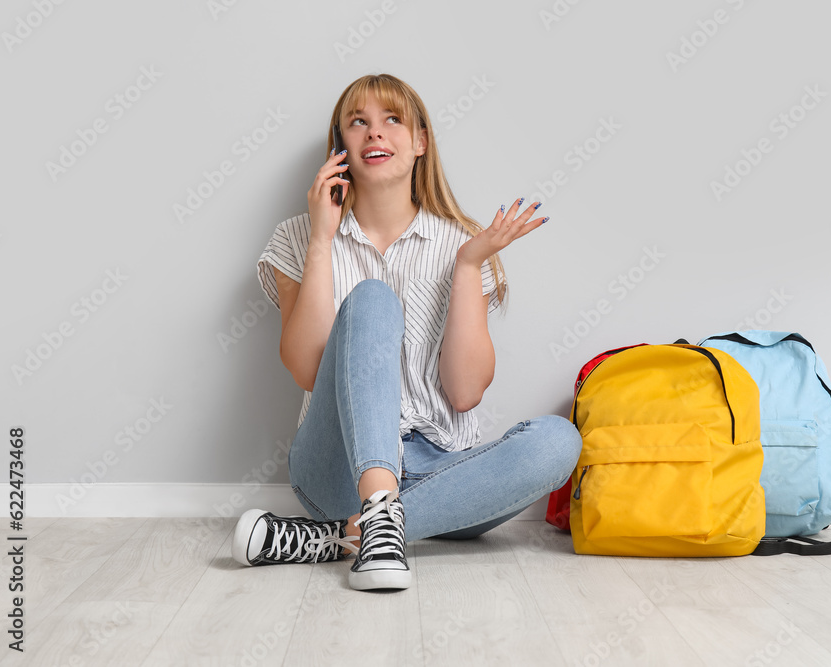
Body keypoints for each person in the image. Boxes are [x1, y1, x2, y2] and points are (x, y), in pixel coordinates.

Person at [231, 73, 583, 591]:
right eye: (358, 123)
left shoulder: (464, 242)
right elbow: (307, 369)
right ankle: (373, 509)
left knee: (559, 440)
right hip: (338, 469)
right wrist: (322, 241)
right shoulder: (300, 235)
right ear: (340, 147)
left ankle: (342, 538)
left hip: (441, 475)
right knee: (372, 299)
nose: (375, 133)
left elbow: (464, 394)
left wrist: (467, 268)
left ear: (420, 142)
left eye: (392, 120)